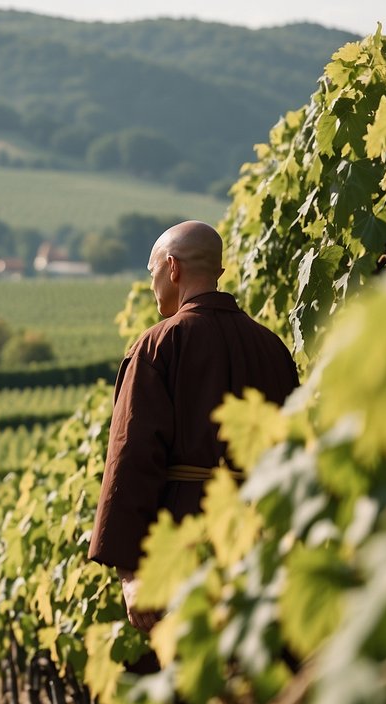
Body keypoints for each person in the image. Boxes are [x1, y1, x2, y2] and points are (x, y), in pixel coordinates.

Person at [88, 221, 299, 633]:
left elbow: (132, 456)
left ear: (172, 268)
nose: (151, 286)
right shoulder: (273, 348)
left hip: (185, 538)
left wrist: (131, 573)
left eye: (152, 273)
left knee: (187, 675)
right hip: (261, 540)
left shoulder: (156, 346)